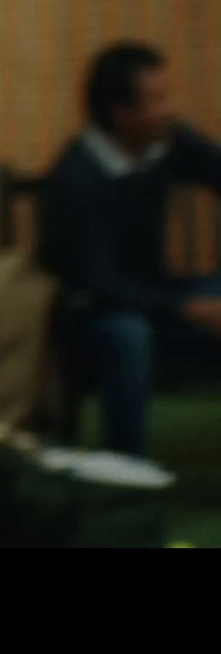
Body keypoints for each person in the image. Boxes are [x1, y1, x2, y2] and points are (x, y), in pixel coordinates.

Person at [36, 42, 221, 457]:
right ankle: (128, 470)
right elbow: (99, 284)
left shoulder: (167, 142)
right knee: (129, 334)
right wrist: (192, 309)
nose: (174, 108)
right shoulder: (76, 178)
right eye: (158, 99)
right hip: (90, 313)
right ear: (121, 113)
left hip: (159, 295)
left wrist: (191, 304)